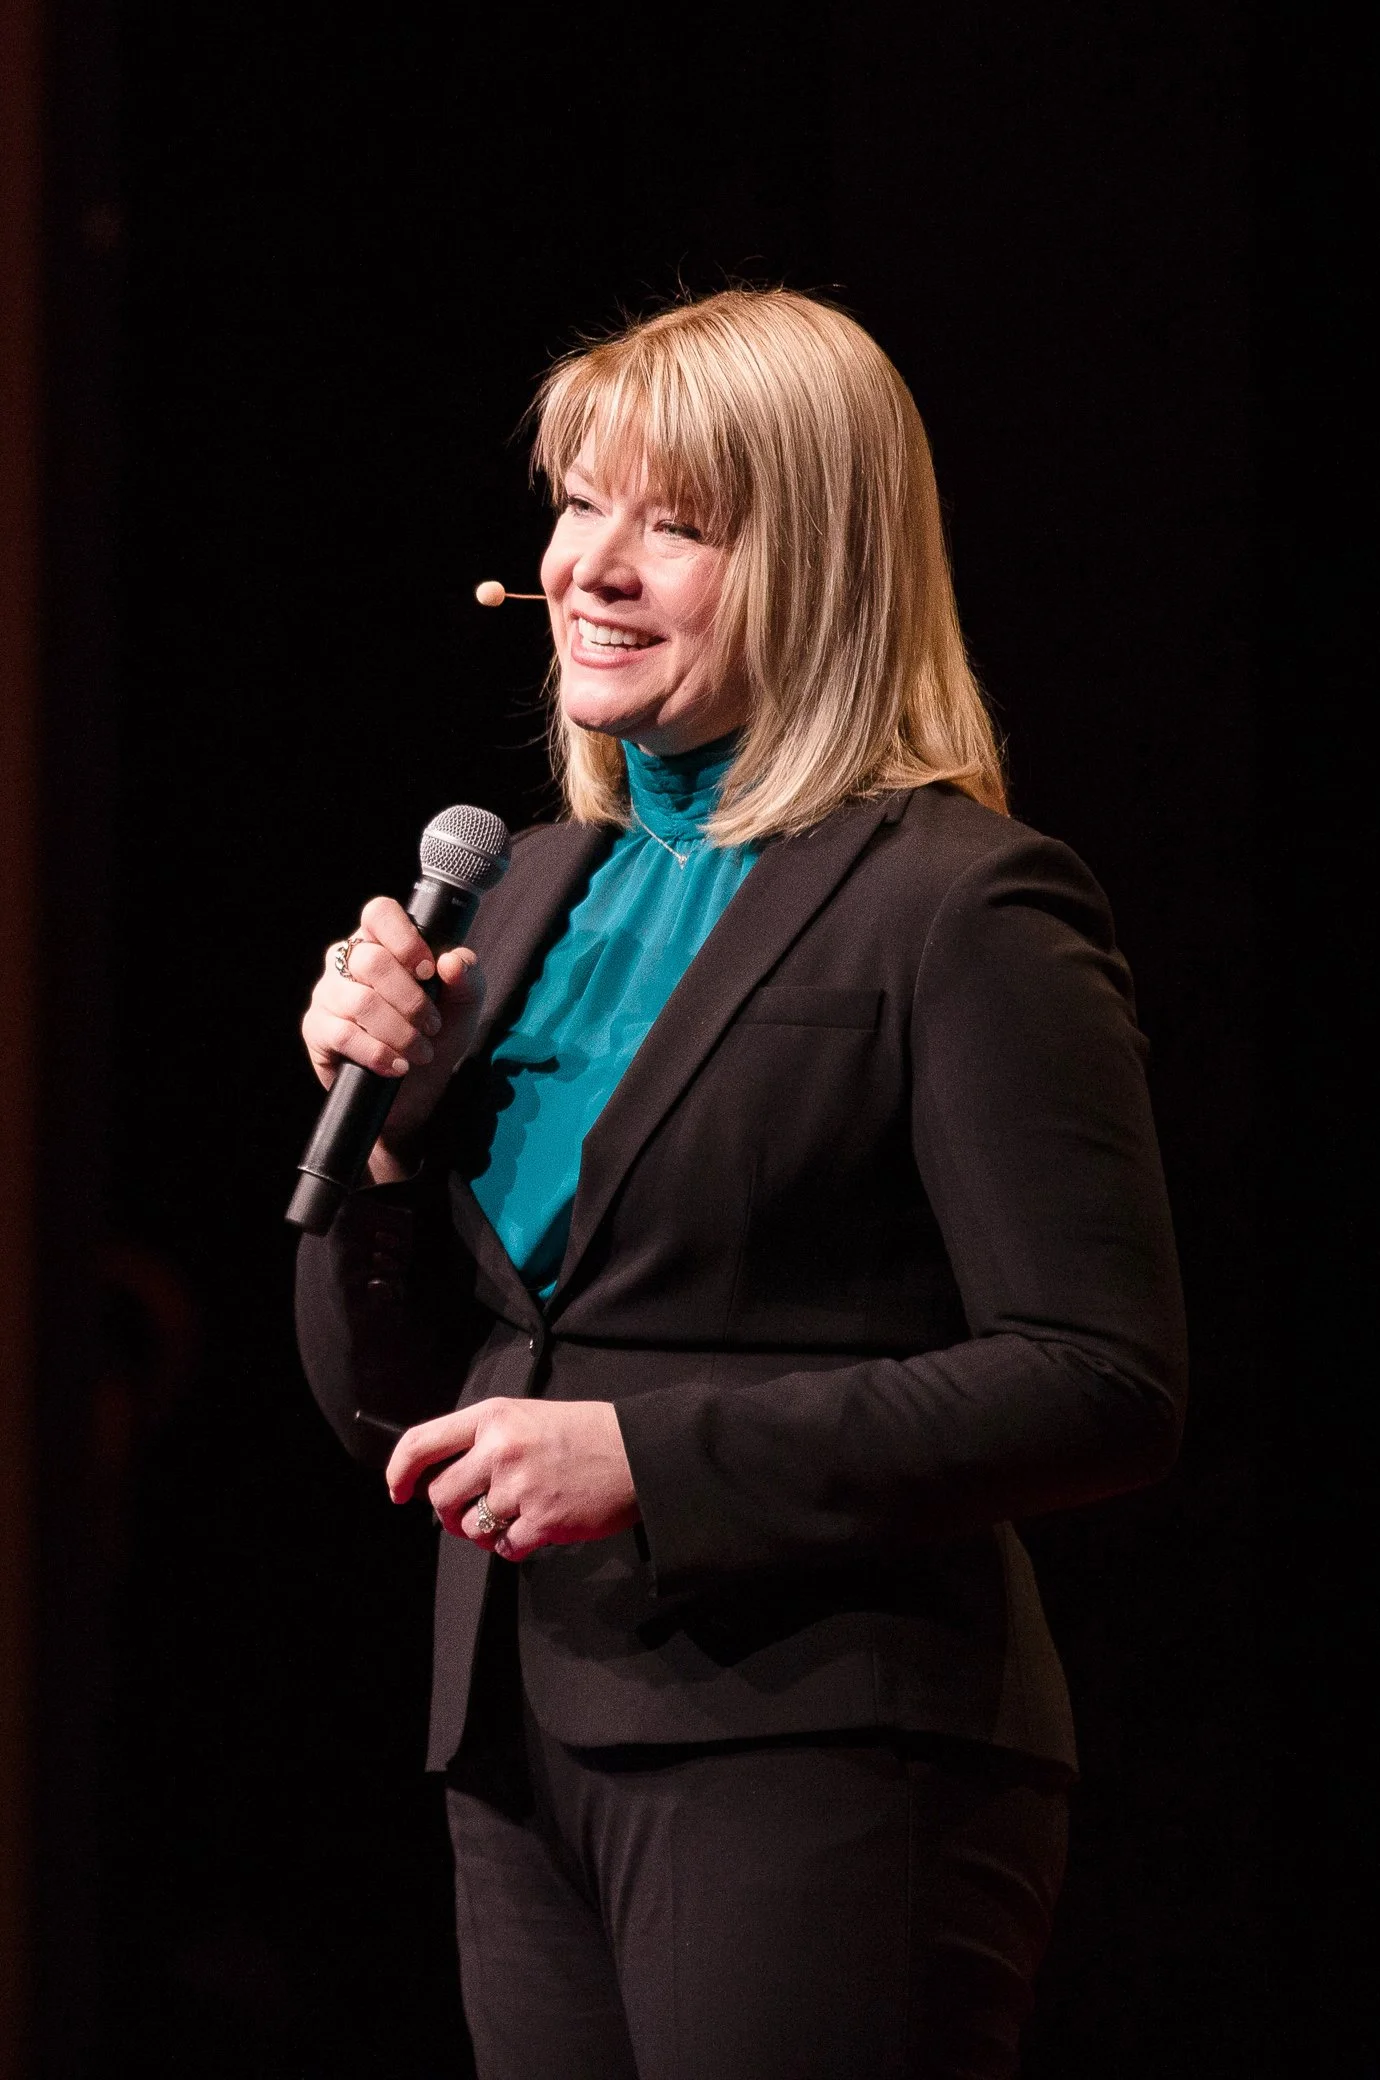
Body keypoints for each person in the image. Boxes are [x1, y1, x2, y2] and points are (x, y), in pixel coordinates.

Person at [295, 288, 1186, 2080]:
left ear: (826, 572)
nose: (591, 570)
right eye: (575, 506)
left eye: (676, 524)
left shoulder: (958, 904)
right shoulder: (533, 888)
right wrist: (378, 1141)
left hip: (821, 1751)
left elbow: (1102, 1379)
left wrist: (650, 1456)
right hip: (520, 1734)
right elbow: (391, 1402)